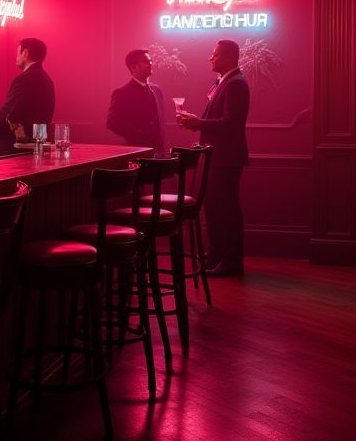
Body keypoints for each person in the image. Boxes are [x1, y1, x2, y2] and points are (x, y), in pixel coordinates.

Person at [178, 39, 250, 277]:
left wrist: (198, 123)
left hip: (226, 159)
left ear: (229, 57)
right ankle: (217, 255)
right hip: (219, 158)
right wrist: (197, 121)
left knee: (226, 210)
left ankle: (231, 262)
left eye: (215, 55)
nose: (211, 58)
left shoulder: (236, 84)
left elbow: (232, 123)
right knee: (214, 209)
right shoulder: (226, 82)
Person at [106, 48, 167, 155]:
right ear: (133, 67)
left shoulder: (157, 90)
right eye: (146, 61)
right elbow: (112, 122)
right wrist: (138, 135)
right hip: (137, 152)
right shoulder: (122, 93)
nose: (150, 64)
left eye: (150, 61)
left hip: (160, 151)